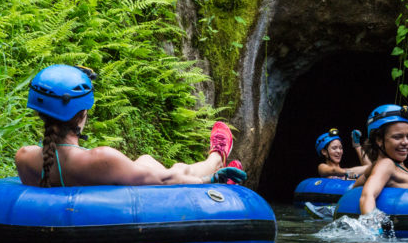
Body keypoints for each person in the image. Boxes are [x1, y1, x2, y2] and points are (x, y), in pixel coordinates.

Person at [15, 64, 246, 187]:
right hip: (124, 197)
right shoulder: (102, 159)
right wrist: (211, 181)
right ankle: (215, 160)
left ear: (40, 114)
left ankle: (216, 159)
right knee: (174, 169)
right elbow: (165, 181)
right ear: (81, 115)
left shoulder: (24, 157)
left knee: (145, 160)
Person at [358, 104, 408, 215]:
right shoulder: (386, 164)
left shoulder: (386, 166)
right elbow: (367, 196)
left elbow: (357, 184)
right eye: (397, 137)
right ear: (379, 139)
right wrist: (374, 231)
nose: (405, 142)